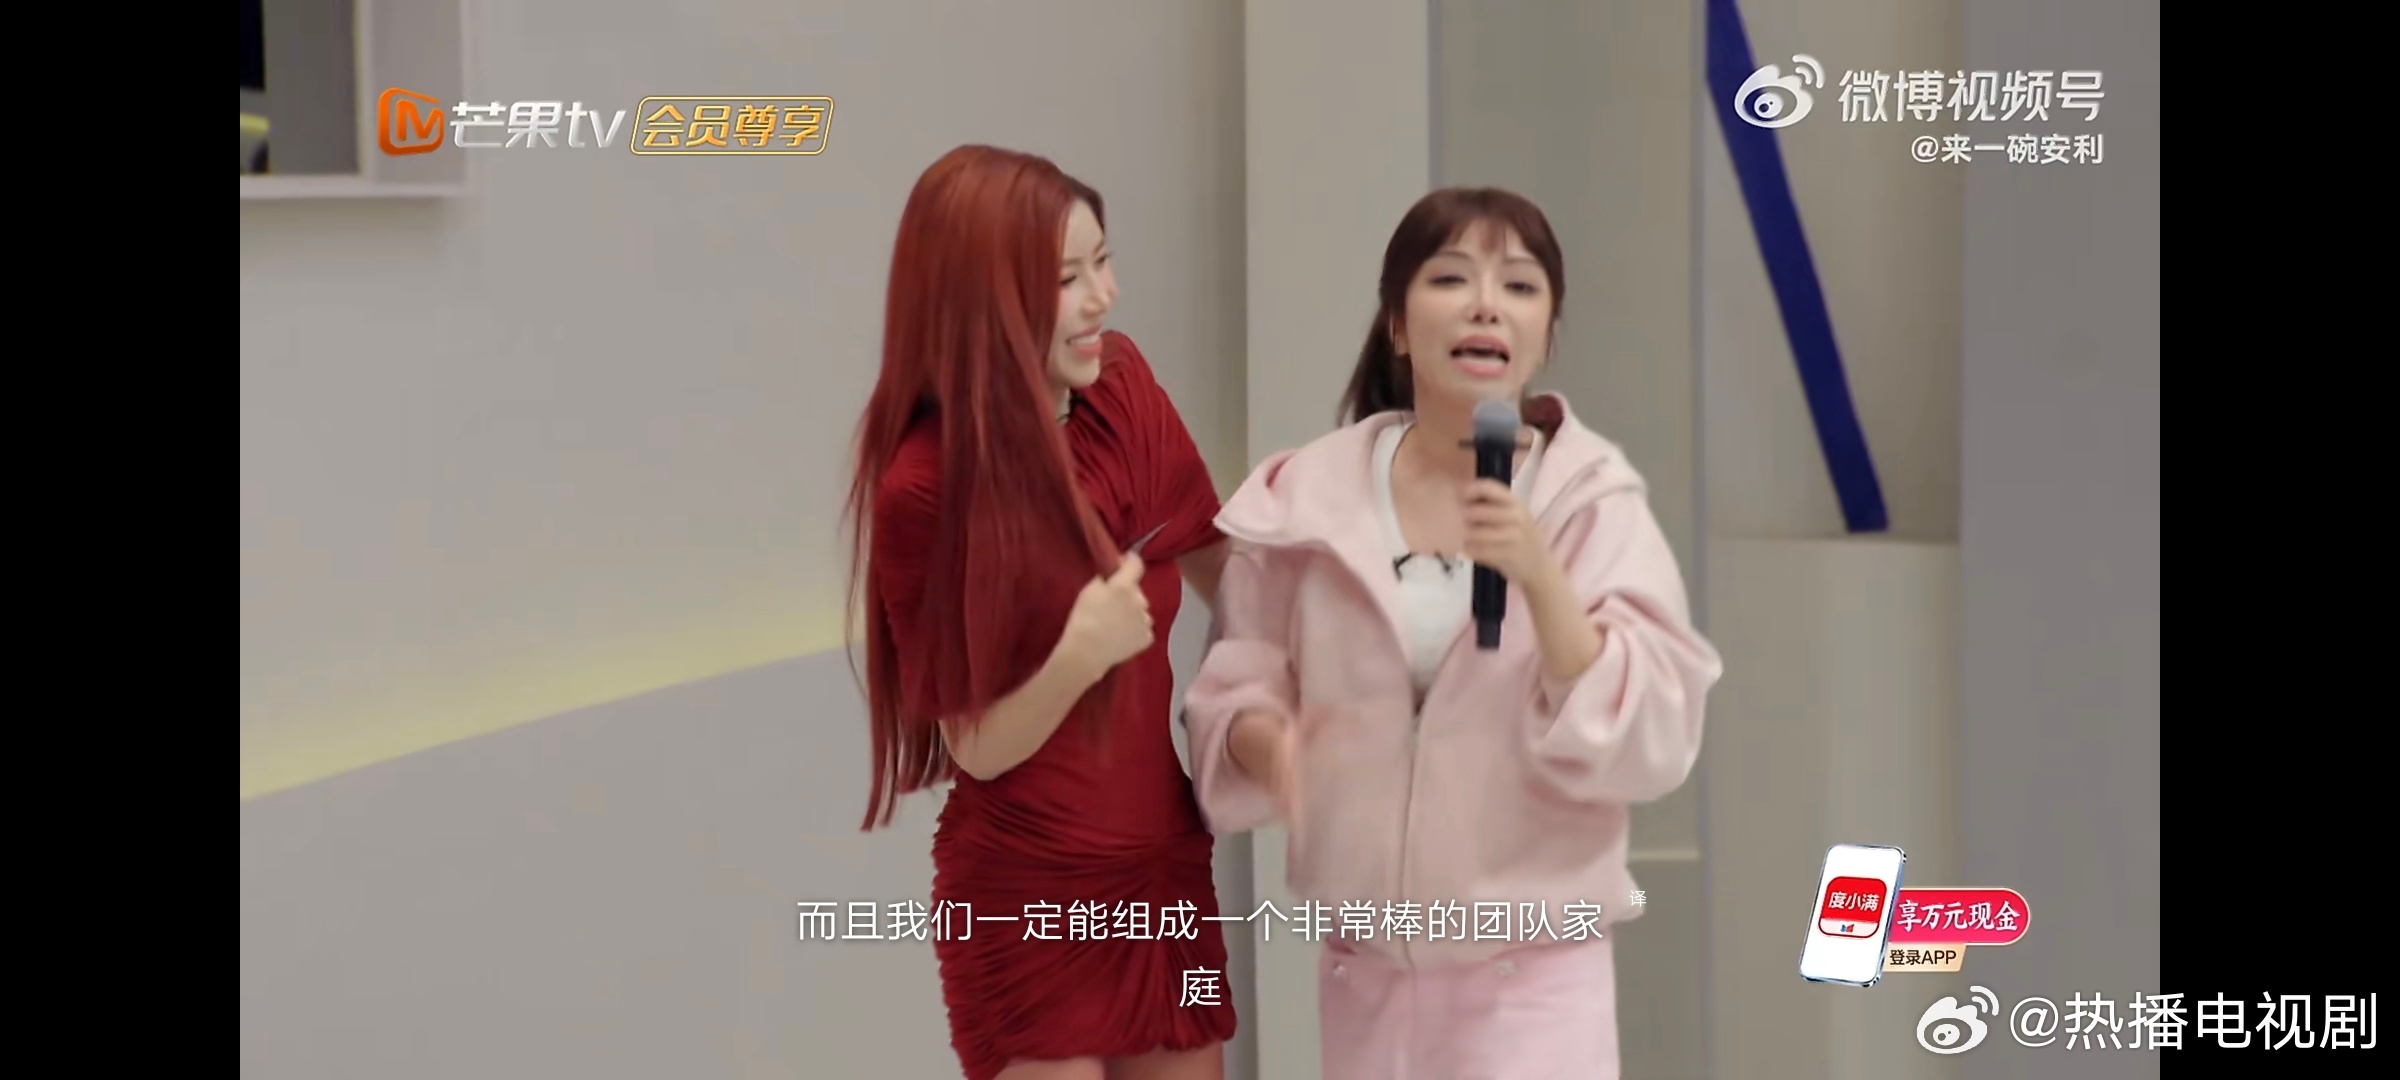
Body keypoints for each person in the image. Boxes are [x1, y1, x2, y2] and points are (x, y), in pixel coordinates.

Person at [1183, 187, 1724, 1079]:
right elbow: (1237, 677)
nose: (1485, 305)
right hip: (1365, 975)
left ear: (1544, 336)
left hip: (1533, 981)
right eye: (1450, 279)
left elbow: (1653, 737)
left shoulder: (1591, 506)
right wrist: (1265, 743)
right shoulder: (1307, 501)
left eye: (1519, 286)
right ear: (1398, 325)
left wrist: (1540, 579)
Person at [842, 145, 1236, 1080]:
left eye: (1103, 262)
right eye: (1067, 279)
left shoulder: (1123, 390)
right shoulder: (926, 486)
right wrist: (1078, 654)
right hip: (1026, 894)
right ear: (983, 300)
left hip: (1162, 864)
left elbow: (1222, 563)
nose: (1105, 296)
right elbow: (974, 743)